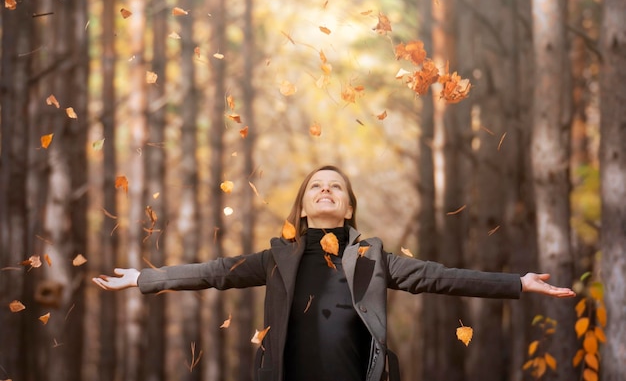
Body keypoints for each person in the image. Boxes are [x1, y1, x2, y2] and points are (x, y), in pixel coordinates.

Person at [93, 165, 575, 381]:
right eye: (316, 187)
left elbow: (437, 275)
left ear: (347, 207)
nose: (325, 191)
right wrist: (143, 278)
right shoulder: (275, 257)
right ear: (303, 205)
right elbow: (215, 271)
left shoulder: (373, 255)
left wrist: (517, 282)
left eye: (335, 188)